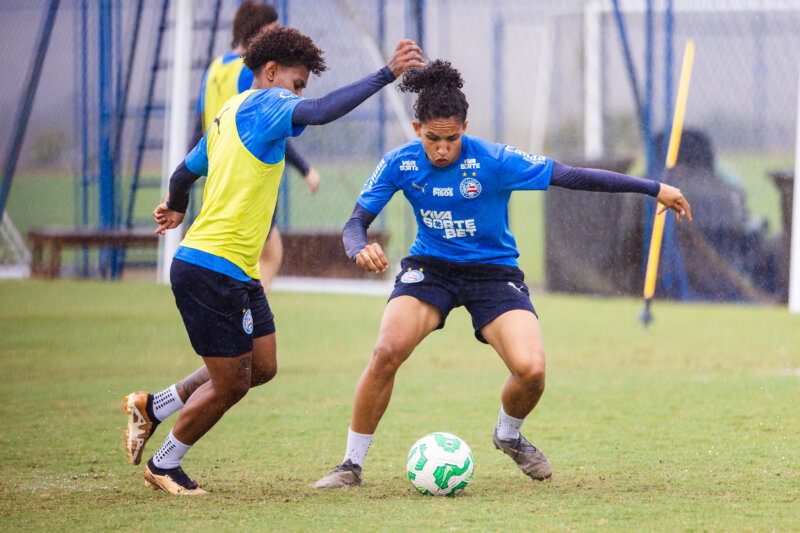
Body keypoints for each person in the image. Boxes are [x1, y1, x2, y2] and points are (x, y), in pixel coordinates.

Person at [313, 60, 692, 489]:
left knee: (532, 371)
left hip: (493, 273)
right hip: (430, 269)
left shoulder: (494, 160)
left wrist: (653, 188)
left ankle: (508, 435)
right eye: (432, 139)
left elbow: (572, 176)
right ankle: (351, 465)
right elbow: (355, 223)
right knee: (386, 351)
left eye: (452, 138)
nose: (442, 149)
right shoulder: (399, 163)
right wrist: (359, 248)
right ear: (417, 129)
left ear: (465, 128)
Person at [123, 26, 423, 495]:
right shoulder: (268, 103)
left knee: (261, 365)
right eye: (296, 84)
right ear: (270, 72)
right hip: (210, 266)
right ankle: (165, 464)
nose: (298, 96)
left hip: (236, 270)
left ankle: (152, 407)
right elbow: (321, 112)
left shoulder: (230, 111)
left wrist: (177, 205)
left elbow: (184, 172)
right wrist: (386, 73)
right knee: (230, 383)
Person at [192, 0, 321, 295]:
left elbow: (200, 129)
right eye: (271, 31)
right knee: (266, 255)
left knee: (255, 254)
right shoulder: (251, 73)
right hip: (249, 175)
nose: (276, 38)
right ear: (256, 31)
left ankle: (241, 311)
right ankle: (247, 314)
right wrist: (305, 170)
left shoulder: (214, 69)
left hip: (220, 177)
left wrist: (182, 175)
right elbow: (264, 126)